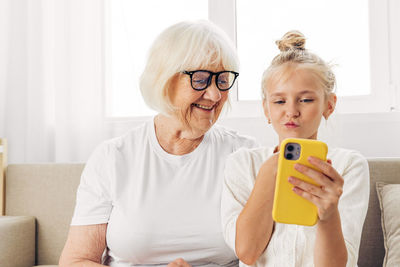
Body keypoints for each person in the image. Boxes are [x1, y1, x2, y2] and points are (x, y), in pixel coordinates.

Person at [59, 20, 257, 267]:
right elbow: (77, 260)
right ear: (164, 78)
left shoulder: (246, 155)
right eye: (201, 79)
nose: (215, 95)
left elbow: (271, 255)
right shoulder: (113, 157)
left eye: (223, 80)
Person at [221, 31, 370, 267]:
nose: (291, 111)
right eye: (279, 101)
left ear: (329, 105)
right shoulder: (242, 164)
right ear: (266, 110)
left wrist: (328, 216)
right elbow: (247, 253)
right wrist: (271, 171)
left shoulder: (348, 166)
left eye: (306, 100)